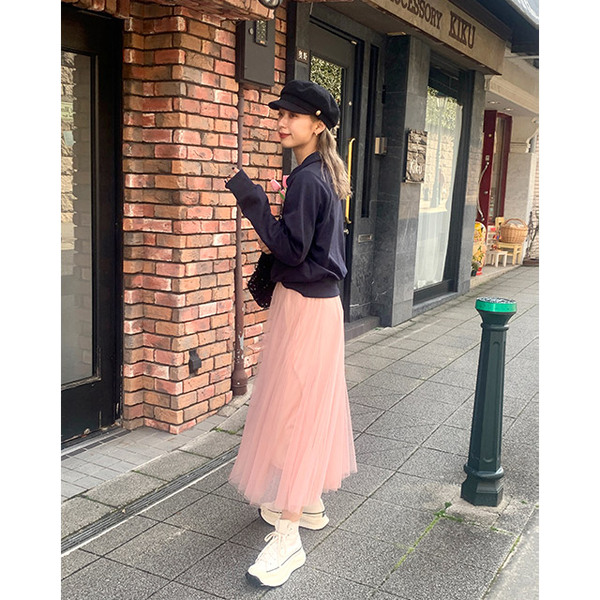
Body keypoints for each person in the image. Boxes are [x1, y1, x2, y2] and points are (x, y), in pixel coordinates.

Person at [224, 79, 357, 588]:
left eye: (292, 115)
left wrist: (253, 199)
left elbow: (291, 250)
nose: (281, 122)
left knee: (297, 410)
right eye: (280, 113)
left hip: (305, 308)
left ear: (317, 124)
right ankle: (309, 501)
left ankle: (288, 540)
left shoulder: (306, 178)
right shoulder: (319, 171)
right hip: (315, 306)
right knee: (307, 403)